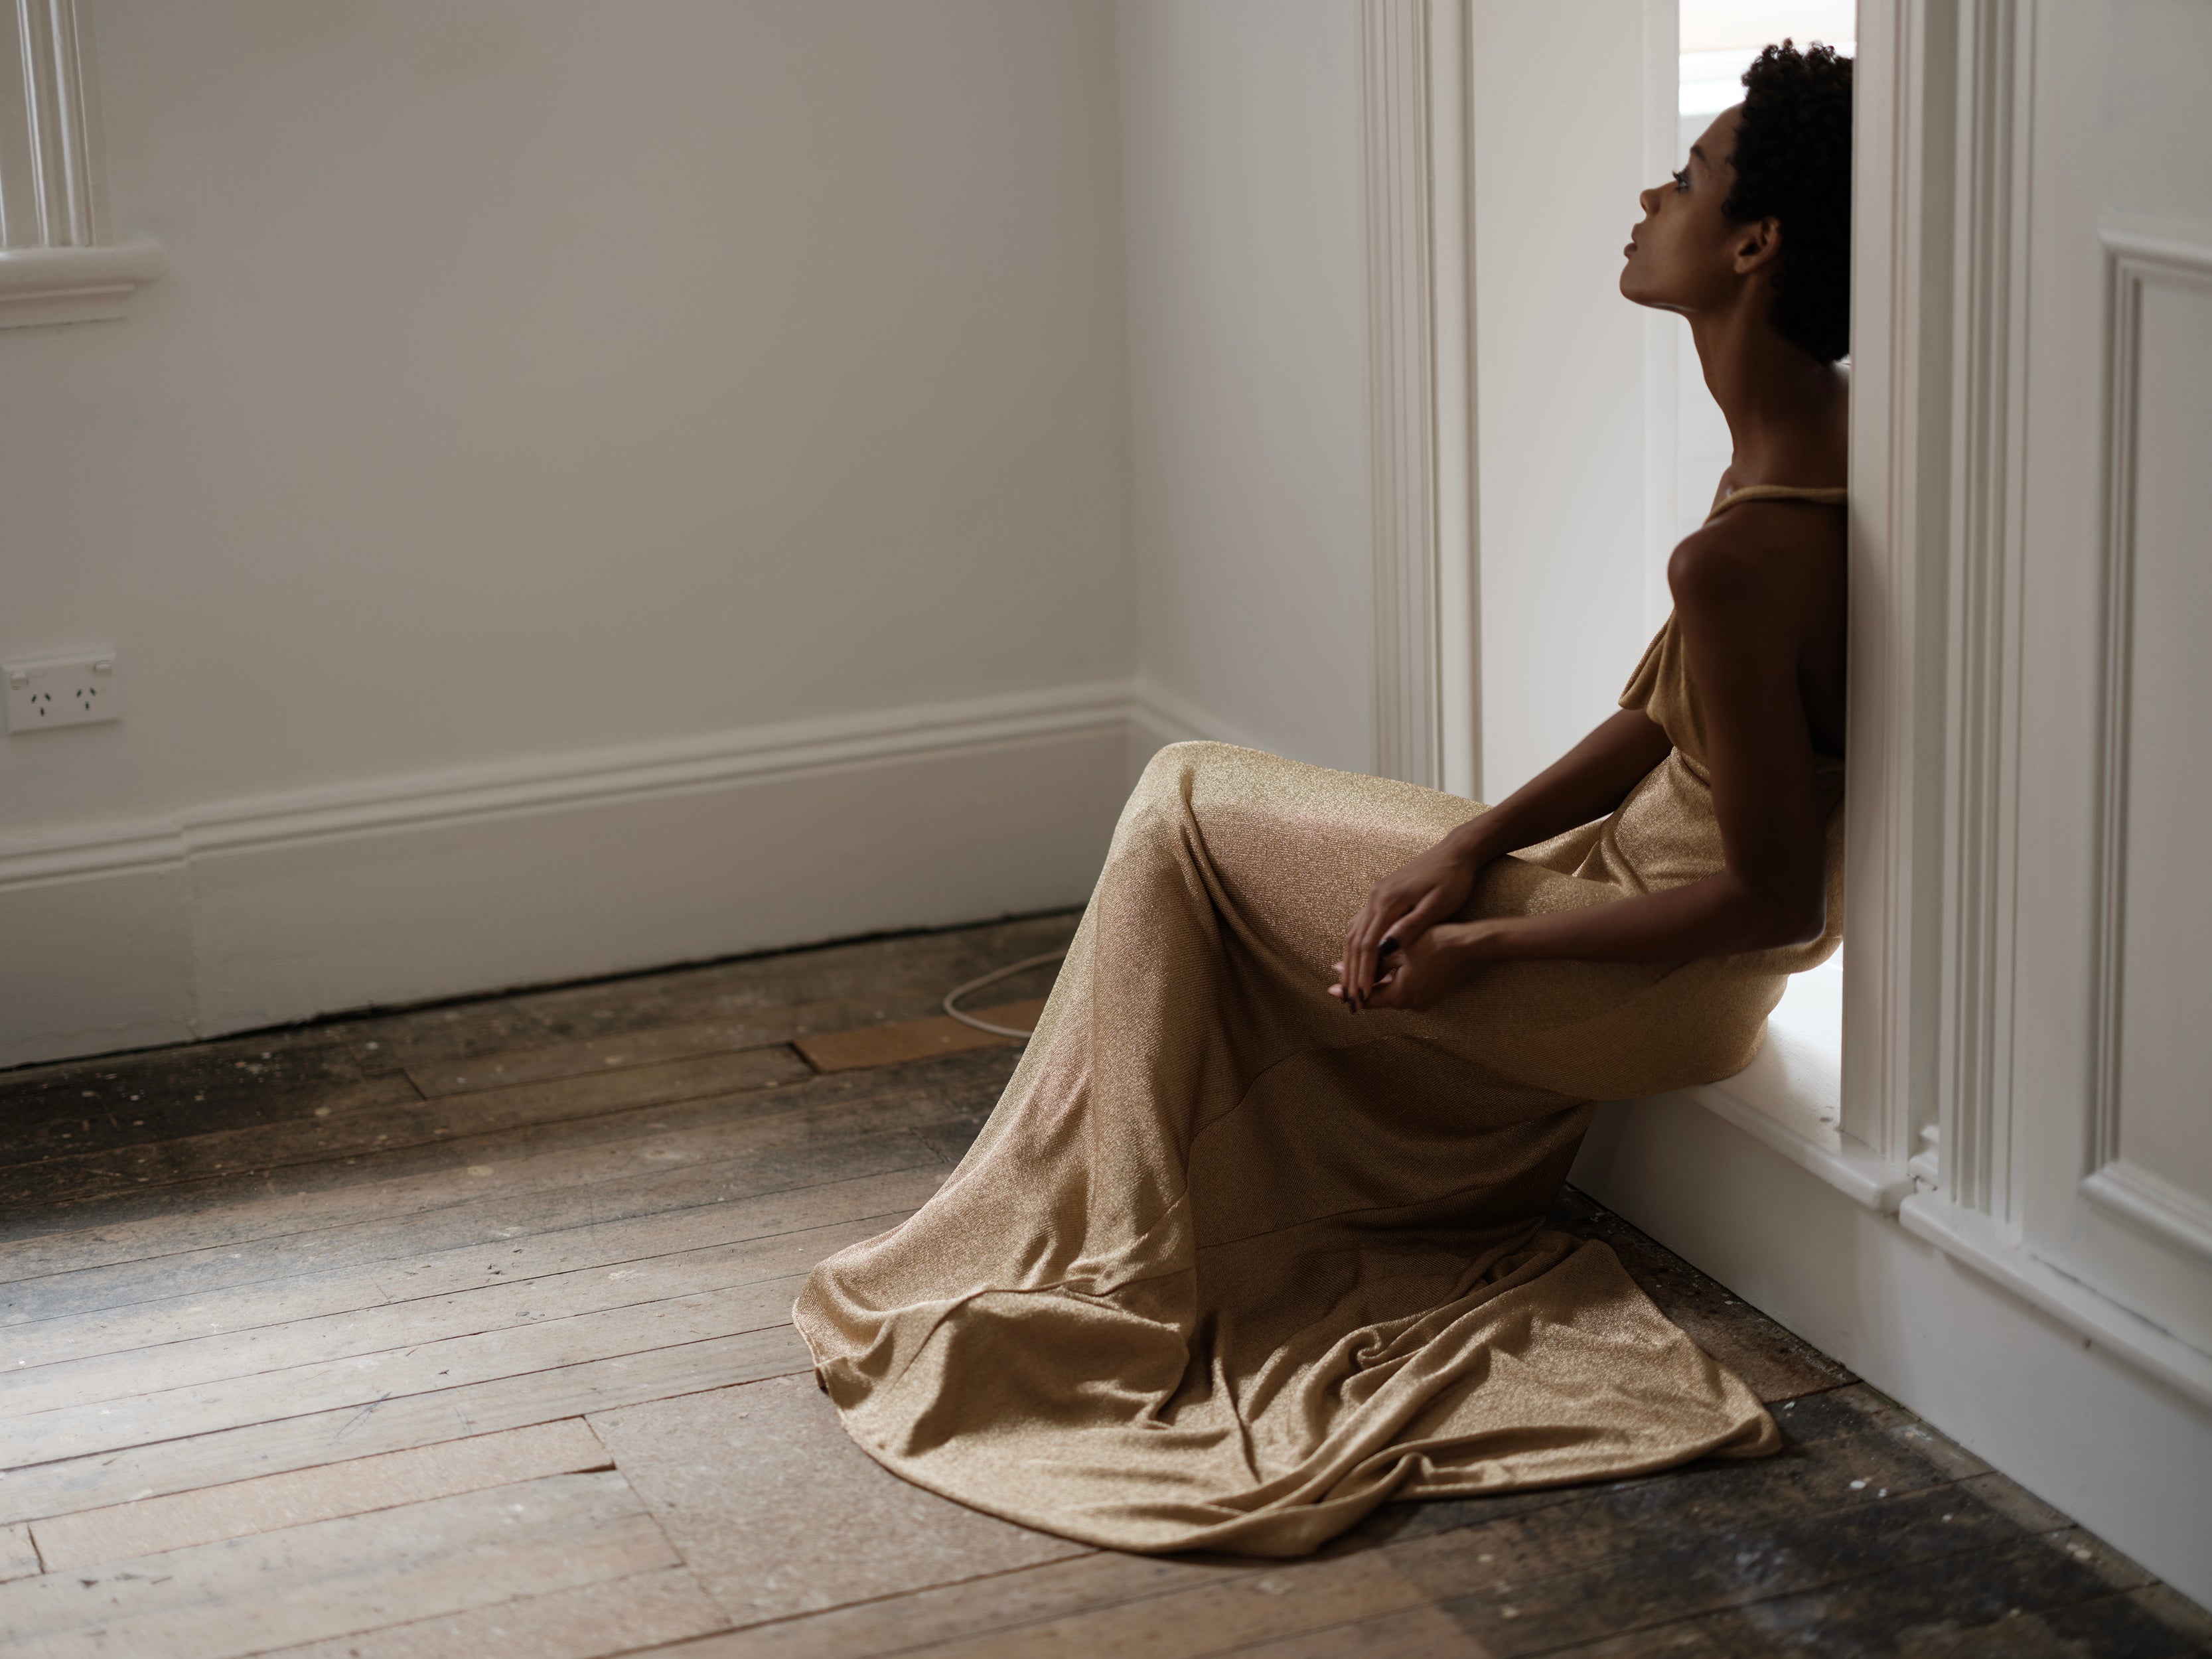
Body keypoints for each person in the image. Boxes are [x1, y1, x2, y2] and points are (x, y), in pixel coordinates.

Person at [796, 41, 1854, 1558]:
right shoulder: (1800, 450)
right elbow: (1656, 714)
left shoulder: (1747, 548)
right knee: (1206, 827)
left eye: (1686, 178)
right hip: (1637, 915)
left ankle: (1124, 1265)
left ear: (1751, 246)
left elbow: (1768, 894)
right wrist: (1468, 842)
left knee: (1177, 799)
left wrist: (1484, 942)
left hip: (1656, 973)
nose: (1648, 195)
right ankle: (1132, 1226)